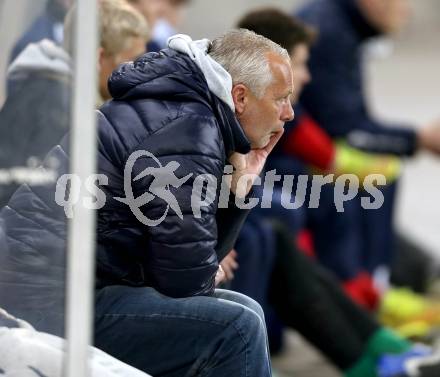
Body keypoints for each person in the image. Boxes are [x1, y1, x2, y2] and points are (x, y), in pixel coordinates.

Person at [1, 28, 294, 376]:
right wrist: (201, 270)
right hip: (45, 303)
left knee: (246, 312)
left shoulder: (185, 111)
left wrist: (238, 187)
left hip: (67, 288)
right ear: (240, 97)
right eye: (280, 98)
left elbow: (190, 268)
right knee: (237, 328)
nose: (288, 113)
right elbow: (185, 279)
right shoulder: (188, 127)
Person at [224, 8, 440, 377]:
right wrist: (411, 142)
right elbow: (330, 151)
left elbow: (327, 149)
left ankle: (373, 325)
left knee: (284, 221)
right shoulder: (233, 109)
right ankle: (368, 321)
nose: (307, 76)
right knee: (296, 209)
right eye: (300, 66)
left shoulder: (278, 103)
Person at [0, 0, 149, 208]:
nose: (140, 74)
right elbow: (44, 206)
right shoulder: (58, 107)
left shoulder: (56, 94)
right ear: (98, 58)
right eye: (134, 62)